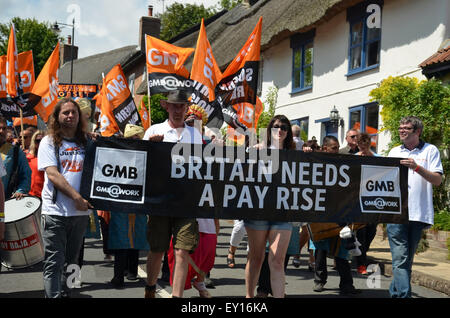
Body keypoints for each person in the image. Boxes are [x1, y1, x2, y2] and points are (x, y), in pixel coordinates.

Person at [143, 90, 202, 298]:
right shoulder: (154, 130)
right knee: (157, 249)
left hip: (186, 201)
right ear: (166, 106)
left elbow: (202, 166)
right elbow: (142, 166)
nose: (178, 110)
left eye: (182, 106)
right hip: (160, 200)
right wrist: (152, 147)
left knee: (181, 250)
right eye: (174, 106)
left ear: (187, 108)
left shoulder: (195, 134)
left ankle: (177, 296)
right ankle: (150, 286)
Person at [38, 98, 93, 298]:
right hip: (56, 212)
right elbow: (53, 174)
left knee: (73, 261)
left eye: (74, 113)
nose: (70, 116)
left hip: (80, 213)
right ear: (57, 117)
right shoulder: (48, 141)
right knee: (54, 261)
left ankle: (70, 293)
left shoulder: (88, 142)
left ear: (80, 117)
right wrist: (76, 197)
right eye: (65, 113)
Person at [387, 116, 443, 298]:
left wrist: (417, 167)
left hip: (418, 213)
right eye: (400, 127)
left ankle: (394, 292)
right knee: (400, 259)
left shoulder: (430, 150)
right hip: (396, 213)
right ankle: (404, 295)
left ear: (417, 131)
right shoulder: (394, 151)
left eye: (406, 128)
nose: (401, 130)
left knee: (405, 261)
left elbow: (437, 180)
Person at [244, 114, 295, 298]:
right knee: (256, 258)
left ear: (288, 132)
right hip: (258, 210)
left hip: (282, 212)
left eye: (284, 127)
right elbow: (244, 175)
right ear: (269, 130)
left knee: (278, 260)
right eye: (276, 126)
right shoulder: (259, 150)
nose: (280, 130)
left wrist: (308, 155)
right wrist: (253, 154)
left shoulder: (294, 155)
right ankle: (249, 298)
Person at [309, 135, 360, 295]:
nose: (337, 150)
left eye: (338, 147)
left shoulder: (344, 163)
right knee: (320, 250)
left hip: (340, 213)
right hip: (321, 213)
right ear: (325, 148)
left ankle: (347, 284)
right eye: (334, 148)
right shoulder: (315, 162)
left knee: (343, 250)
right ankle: (319, 281)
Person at [108, 124, 150, 288]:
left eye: (137, 138)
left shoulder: (146, 155)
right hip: (120, 201)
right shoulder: (117, 155)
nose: (134, 141)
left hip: (138, 201)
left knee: (137, 235)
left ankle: (132, 271)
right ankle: (118, 275)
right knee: (120, 237)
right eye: (131, 138)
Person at [354, 132, 379, 275]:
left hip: (374, 201)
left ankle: (361, 254)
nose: (362, 147)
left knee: (372, 231)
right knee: (361, 233)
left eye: (365, 144)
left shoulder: (378, 158)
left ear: (369, 144)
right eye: (360, 144)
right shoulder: (354, 159)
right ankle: (361, 264)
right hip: (358, 202)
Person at [0, 116, 31, 200]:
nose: (1, 131)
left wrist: (21, 191)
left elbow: (26, 174)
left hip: (6, 203)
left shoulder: (15, 151)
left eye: (4, 128)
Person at [26, 130, 46, 198]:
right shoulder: (28, 157)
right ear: (33, 142)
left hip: (46, 196)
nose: (40, 143)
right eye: (37, 141)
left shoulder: (52, 157)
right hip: (31, 195)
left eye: (42, 140)